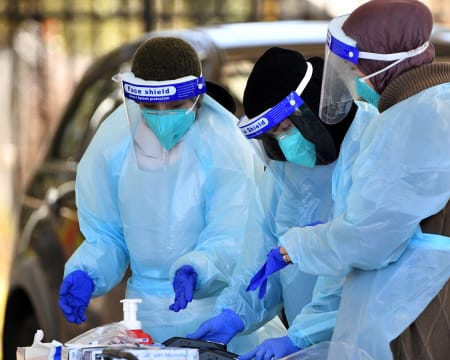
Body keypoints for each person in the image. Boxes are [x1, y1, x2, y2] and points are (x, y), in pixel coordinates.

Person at [251, 1, 450, 359]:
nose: (353, 80)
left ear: (382, 66)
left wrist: (296, 247)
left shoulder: (413, 122)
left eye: (356, 69)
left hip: (414, 312)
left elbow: (368, 236)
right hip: (435, 299)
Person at [57, 36, 285, 353]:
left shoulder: (224, 145)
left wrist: (199, 268)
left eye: (175, 106)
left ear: (197, 97)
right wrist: (87, 271)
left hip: (220, 316)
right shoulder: (114, 145)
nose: (163, 116)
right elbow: (107, 235)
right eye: (151, 107)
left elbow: (236, 234)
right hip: (144, 321)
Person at [186, 47, 377, 360]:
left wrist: (300, 336)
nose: (284, 142)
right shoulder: (284, 173)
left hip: (372, 342)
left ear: (314, 107)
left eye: (286, 128)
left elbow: (356, 266)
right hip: (312, 346)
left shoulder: (371, 146)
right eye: (274, 135)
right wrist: (234, 314)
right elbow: (260, 258)